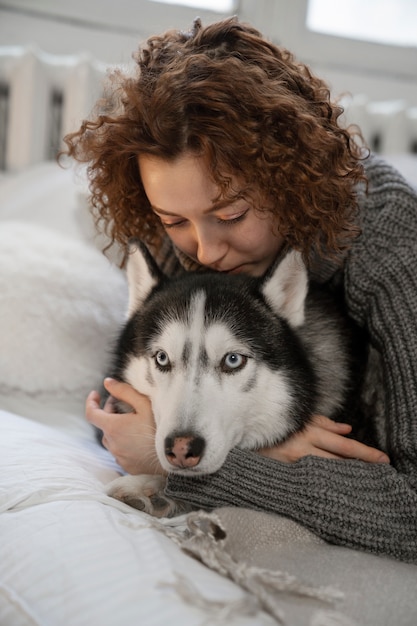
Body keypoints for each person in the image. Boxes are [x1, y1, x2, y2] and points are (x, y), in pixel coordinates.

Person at [63, 17, 417, 563]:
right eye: (173, 220)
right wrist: (269, 445)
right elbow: (124, 409)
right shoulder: (175, 241)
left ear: (291, 179)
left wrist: (235, 465)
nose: (203, 251)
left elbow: (409, 513)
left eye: (230, 213)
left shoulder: (390, 238)